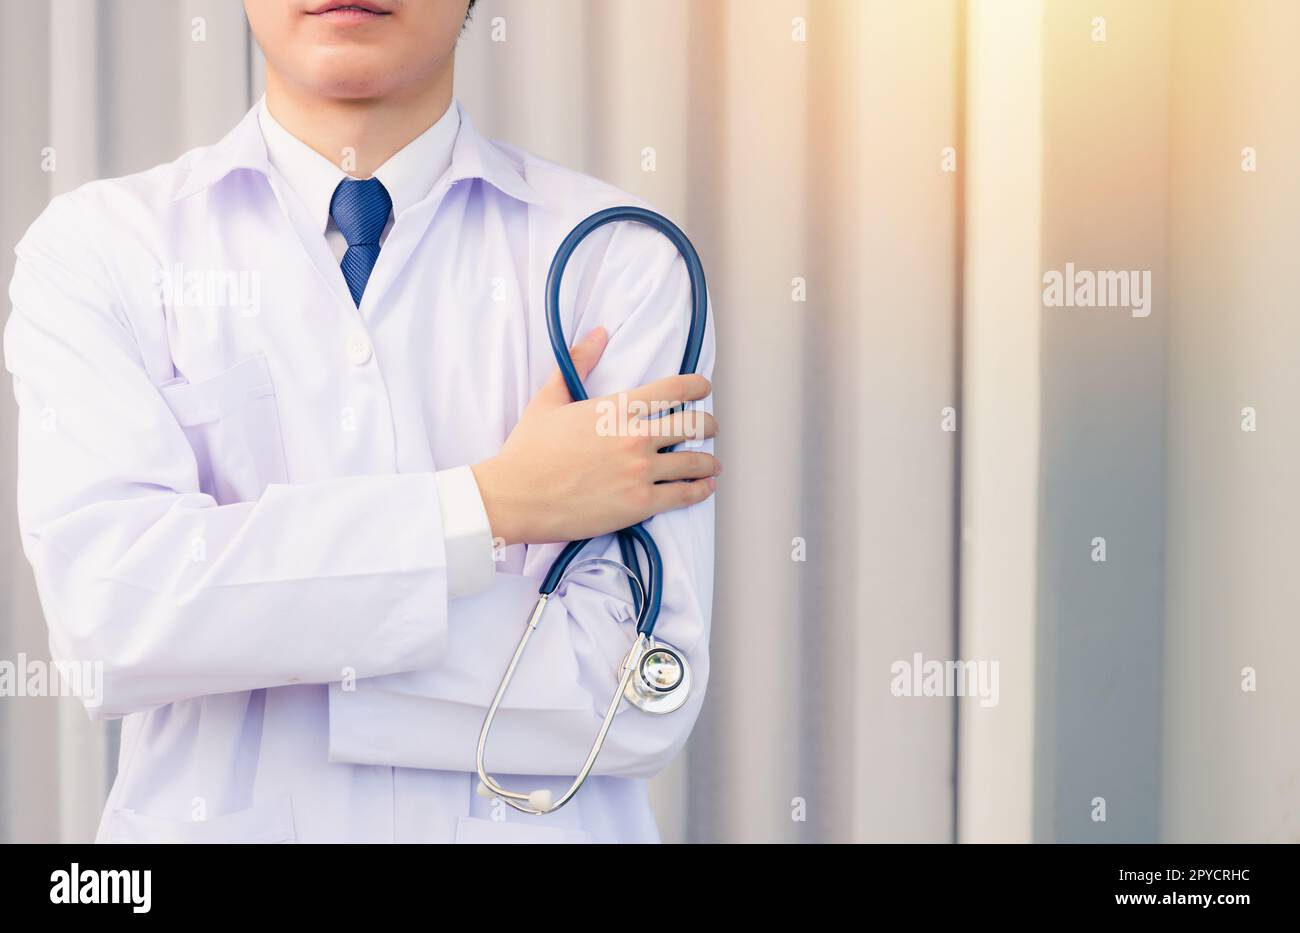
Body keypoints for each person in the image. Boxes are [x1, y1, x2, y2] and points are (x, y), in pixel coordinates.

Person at [3, 0, 718, 843]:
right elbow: (112, 620)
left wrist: (243, 630)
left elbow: (637, 693)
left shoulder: (619, 261)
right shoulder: (100, 249)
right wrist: (489, 506)